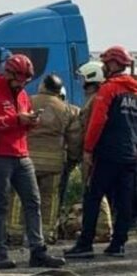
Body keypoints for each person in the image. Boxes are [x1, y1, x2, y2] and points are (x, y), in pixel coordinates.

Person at [0, 54, 65, 269]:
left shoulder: (24, 95)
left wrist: (30, 122)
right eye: (19, 78)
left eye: (26, 79)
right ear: (7, 73)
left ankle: (38, 251)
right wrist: (17, 119)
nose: (22, 83)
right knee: (0, 205)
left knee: (33, 202)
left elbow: (19, 124)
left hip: (21, 154)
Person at [65, 46, 137, 259]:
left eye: (105, 62)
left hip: (107, 154)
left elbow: (97, 121)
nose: (103, 66)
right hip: (131, 154)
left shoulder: (108, 89)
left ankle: (85, 244)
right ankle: (118, 245)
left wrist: (88, 150)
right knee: (124, 201)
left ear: (113, 64)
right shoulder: (135, 91)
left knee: (92, 197)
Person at [6, 74, 80, 245]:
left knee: (18, 196)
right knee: (50, 197)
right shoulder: (68, 109)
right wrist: (72, 159)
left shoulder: (27, 101)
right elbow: (75, 138)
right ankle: (46, 233)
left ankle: (14, 233)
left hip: (25, 159)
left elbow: (14, 126)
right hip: (53, 163)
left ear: (43, 86)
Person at [73, 61, 113, 243]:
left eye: (83, 78)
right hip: (96, 151)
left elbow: (89, 127)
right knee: (94, 191)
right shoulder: (95, 98)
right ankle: (101, 228)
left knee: (93, 191)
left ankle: (103, 229)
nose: (81, 82)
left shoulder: (94, 100)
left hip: (92, 152)